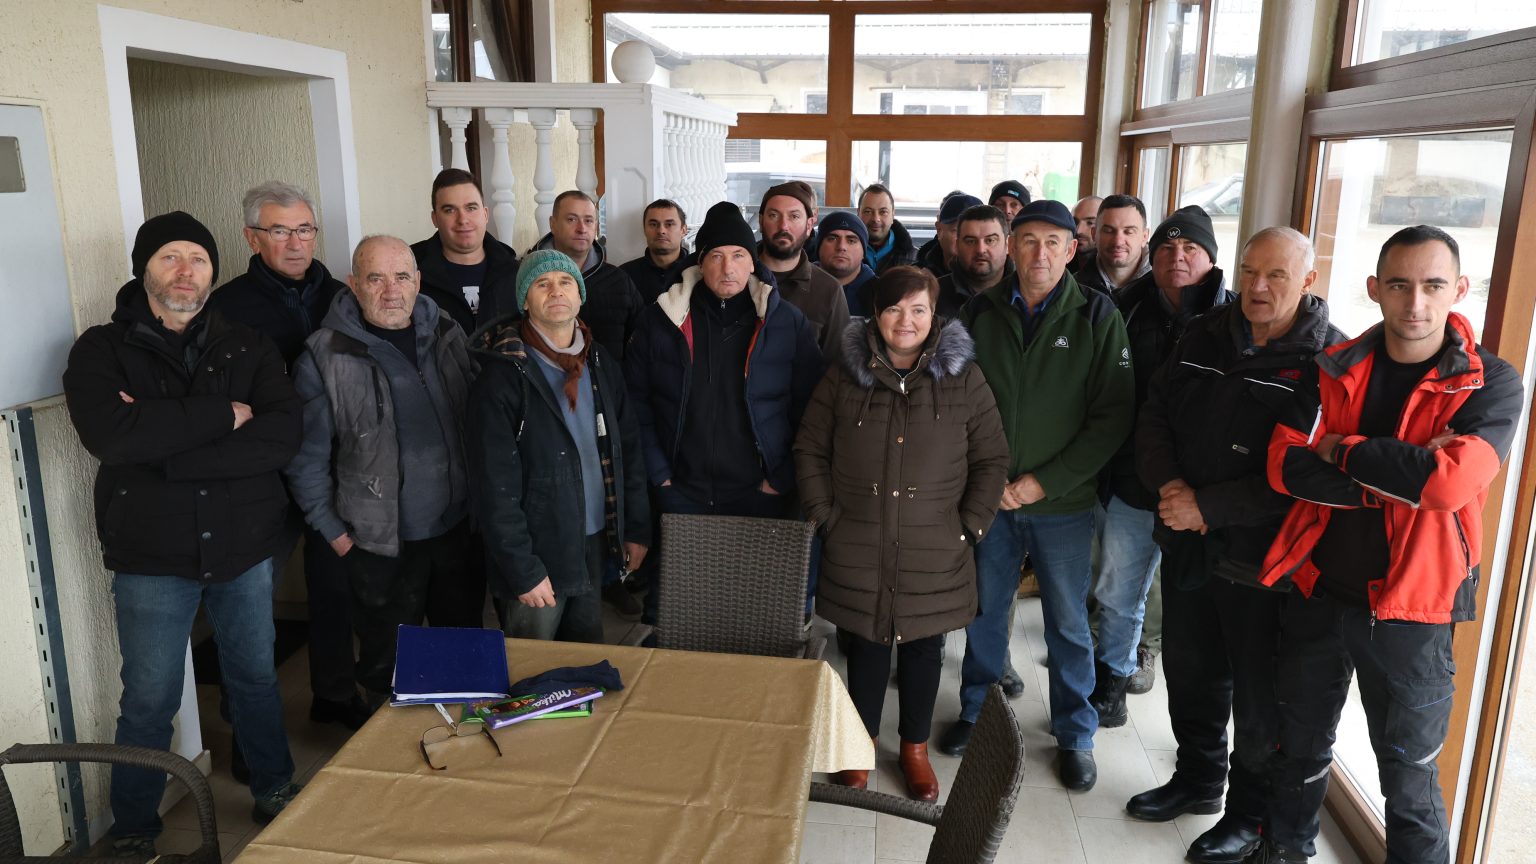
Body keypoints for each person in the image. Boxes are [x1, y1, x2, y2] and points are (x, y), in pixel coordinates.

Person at [1246, 226, 1522, 864]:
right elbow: (1284, 465)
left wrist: (1340, 449)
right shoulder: (1335, 365)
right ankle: (1281, 853)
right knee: (1297, 750)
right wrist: (1398, 474)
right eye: (1399, 285)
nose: (1415, 303)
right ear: (1375, 289)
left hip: (1412, 612)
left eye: (1432, 285)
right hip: (1320, 591)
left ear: (1460, 289)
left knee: (1408, 781)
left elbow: (1447, 485)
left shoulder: (1490, 382)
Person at [63, 212, 303, 856]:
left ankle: (275, 788)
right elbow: (111, 437)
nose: (186, 271)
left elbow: (281, 436)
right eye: (170, 256)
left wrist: (162, 444)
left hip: (243, 546)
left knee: (254, 677)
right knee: (148, 698)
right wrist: (224, 414)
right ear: (143, 268)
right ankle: (134, 827)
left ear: (213, 271)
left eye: (197, 259)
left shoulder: (248, 345)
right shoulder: (99, 350)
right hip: (151, 554)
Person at [1128, 227, 1345, 864]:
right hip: (1187, 539)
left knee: (1257, 699)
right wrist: (1172, 487)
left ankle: (1247, 816)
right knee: (1190, 672)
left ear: (1308, 281)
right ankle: (1198, 779)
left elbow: (1308, 473)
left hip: (1263, 560)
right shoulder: (1204, 333)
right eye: (1250, 271)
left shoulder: (1330, 360)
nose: (1258, 287)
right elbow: (1154, 415)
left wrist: (1210, 507)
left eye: (1277, 275)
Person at [940, 200, 1134, 796]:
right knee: (984, 611)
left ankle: (1075, 734)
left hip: (1062, 503)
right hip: (991, 500)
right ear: (1009, 248)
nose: (1040, 254)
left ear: (1072, 250)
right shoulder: (979, 313)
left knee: (1068, 623)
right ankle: (977, 710)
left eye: (1053, 242)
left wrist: (1044, 482)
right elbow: (954, 401)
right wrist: (986, 480)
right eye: (1027, 241)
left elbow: (1112, 416)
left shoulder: (1096, 315)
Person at [796, 265, 1009, 801]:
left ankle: (914, 749)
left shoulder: (964, 379)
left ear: (935, 316)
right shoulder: (844, 376)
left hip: (935, 545)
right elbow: (810, 449)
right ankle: (861, 744)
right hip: (858, 538)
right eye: (894, 308)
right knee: (866, 645)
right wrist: (825, 515)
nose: (906, 320)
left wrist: (968, 527)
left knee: (923, 647)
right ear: (876, 315)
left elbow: (991, 458)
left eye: (919, 309)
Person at [286, 235, 480, 704]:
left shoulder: (448, 331)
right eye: (375, 278)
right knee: (388, 671)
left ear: (417, 281)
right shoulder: (324, 355)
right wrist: (335, 533)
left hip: (456, 530)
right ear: (353, 285)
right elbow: (305, 459)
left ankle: (464, 742)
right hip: (378, 545)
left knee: (463, 658)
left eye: (401, 277)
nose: (391, 290)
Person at [207, 181, 368, 733]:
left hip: (333, 470)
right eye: (280, 231)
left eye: (304, 229)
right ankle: (247, 726)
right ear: (252, 238)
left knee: (335, 588)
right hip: (262, 478)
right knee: (251, 602)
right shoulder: (226, 307)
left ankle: (335, 696)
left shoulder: (342, 297)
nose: (296, 242)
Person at [626, 201, 824, 629]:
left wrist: (779, 478)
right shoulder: (661, 319)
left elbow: (812, 410)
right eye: (715, 255)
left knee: (754, 614)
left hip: (759, 492)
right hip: (682, 491)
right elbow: (637, 405)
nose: (727, 267)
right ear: (700, 262)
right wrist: (661, 477)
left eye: (737, 255)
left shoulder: (785, 323)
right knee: (676, 615)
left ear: (752, 261)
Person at [1090, 205, 1234, 735]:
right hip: (1133, 479)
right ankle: (1112, 678)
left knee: (1194, 607)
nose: (1178, 257)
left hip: (1205, 494)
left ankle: (1196, 726)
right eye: (1168, 248)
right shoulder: (1125, 308)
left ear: (1211, 258)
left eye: (1191, 248)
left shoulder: (1235, 318)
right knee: (1118, 590)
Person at [467, 250, 651, 642]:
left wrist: (635, 528)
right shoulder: (503, 375)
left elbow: (628, 450)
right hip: (538, 551)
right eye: (542, 283)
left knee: (584, 658)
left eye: (566, 281)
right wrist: (522, 568)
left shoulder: (599, 362)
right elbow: (493, 486)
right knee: (532, 665)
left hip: (593, 540)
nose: (556, 291)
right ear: (524, 300)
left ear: (580, 295)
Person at [530, 190, 646, 362]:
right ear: (553, 224)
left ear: (596, 227)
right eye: (571, 219)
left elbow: (641, 343)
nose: (582, 229)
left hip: (609, 378)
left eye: (588, 220)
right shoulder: (528, 279)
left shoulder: (619, 281)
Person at [413, 168, 520, 335]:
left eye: (471, 208)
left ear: (485, 214)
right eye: (449, 210)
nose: (463, 219)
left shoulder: (516, 271)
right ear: (435, 219)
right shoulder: (409, 271)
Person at [758, 181, 849, 360]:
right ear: (761, 221)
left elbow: (839, 365)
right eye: (774, 215)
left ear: (809, 225)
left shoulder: (828, 290)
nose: (783, 226)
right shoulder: (736, 279)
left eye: (794, 216)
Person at [936, 204, 1014, 317]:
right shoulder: (932, 295)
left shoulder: (1028, 294)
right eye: (970, 241)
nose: (980, 250)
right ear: (957, 246)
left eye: (990, 240)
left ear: (1008, 245)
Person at [1075, 194, 1152, 299]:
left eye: (1129, 232)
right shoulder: (1074, 288)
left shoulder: (1163, 287)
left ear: (1144, 237)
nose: (1118, 242)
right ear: (1094, 234)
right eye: (1108, 231)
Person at [620, 198, 690, 304]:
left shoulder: (698, 272)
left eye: (669, 224)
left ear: (683, 230)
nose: (661, 231)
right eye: (653, 224)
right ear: (644, 229)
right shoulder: (625, 275)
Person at [813, 210, 877, 317]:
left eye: (851, 241)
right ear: (819, 247)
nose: (841, 247)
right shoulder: (797, 287)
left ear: (864, 252)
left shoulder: (881, 292)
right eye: (832, 238)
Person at [917, 192, 981, 282]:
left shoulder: (998, 281)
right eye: (957, 231)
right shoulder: (916, 279)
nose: (967, 239)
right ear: (939, 230)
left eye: (974, 233)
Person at [858, 183, 917, 274]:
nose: (876, 219)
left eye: (883, 212)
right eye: (868, 211)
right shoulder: (842, 255)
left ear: (893, 214)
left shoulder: (915, 259)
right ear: (858, 213)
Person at [1071, 195, 1104, 273]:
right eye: (1075, 222)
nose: (1078, 231)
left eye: (1090, 223)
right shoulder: (1061, 263)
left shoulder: (1113, 271)